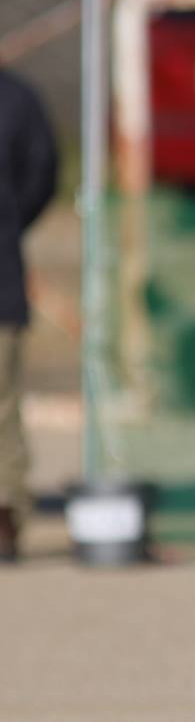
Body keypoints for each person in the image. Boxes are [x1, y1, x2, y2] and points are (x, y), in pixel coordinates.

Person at [0, 69, 57, 562]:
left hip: (0, 279)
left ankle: (4, 514)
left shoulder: (17, 99)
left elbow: (39, 177)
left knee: (1, 405)